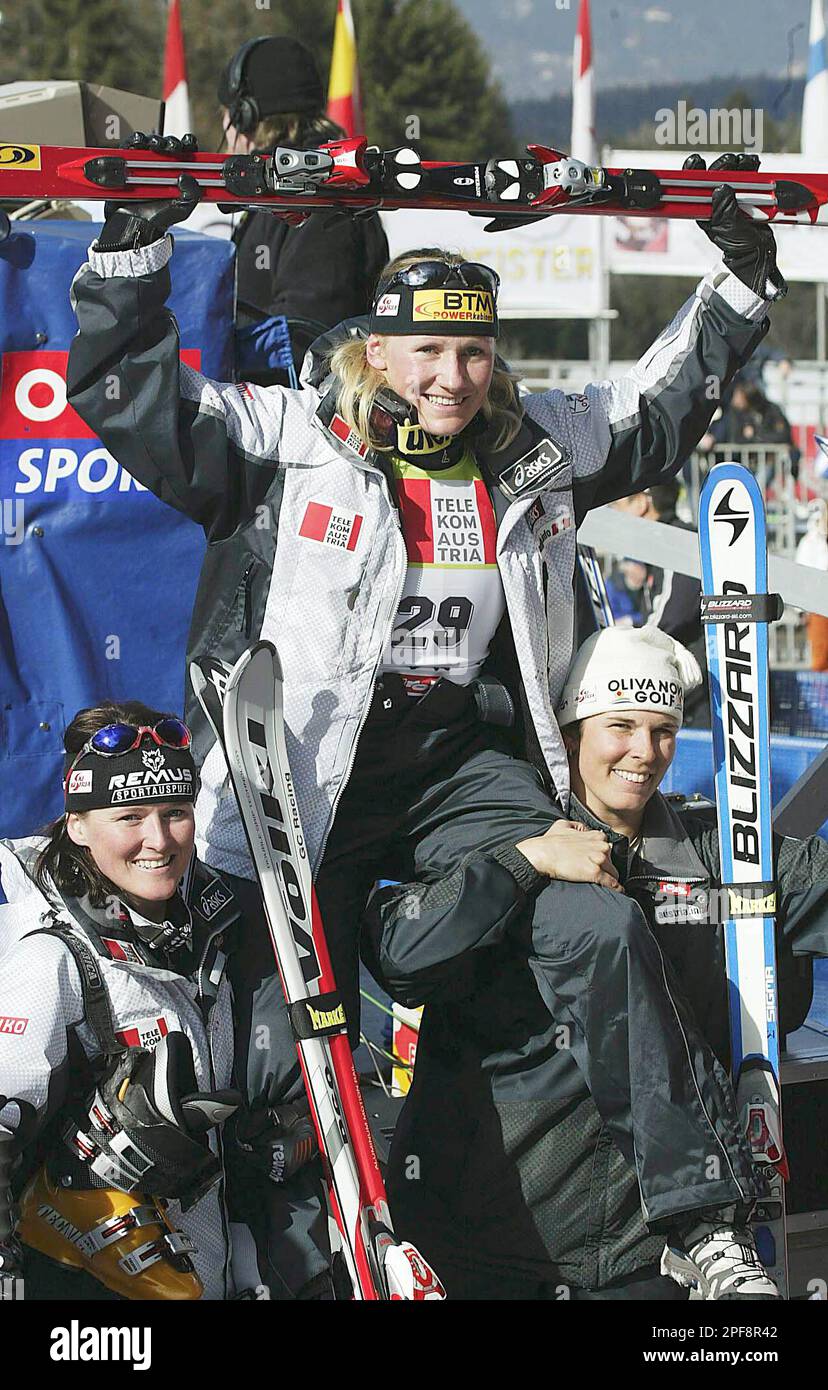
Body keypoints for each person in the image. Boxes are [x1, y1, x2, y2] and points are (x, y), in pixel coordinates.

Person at [65, 152, 784, 1296]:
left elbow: (654, 415)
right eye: (428, 351)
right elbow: (133, 396)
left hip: (461, 768)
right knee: (271, 1041)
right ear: (377, 351)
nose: (452, 376)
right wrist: (132, 249)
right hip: (305, 781)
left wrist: (741, 282)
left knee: (594, 921)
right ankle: (282, 1266)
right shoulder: (298, 440)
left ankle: (701, 1225)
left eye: (473, 350)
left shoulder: (528, 448)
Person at [363, 627, 828, 1299]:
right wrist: (520, 868)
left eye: (664, 729)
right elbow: (397, 951)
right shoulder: (505, 831)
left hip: (649, 1251)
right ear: (571, 731)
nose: (644, 752)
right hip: (490, 1239)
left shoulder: (719, 855)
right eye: (621, 725)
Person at [0, 701, 313, 1301]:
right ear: (78, 825)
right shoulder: (55, 957)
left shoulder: (207, 932)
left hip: (193, 1271)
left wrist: (261, 1139)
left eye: (175, 813)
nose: (158, 840)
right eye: (130, 816)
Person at [212, 35, 389, 383]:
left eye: (225, 116)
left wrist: (215, 334)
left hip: (296, 422)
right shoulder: (278, 191)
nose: (224, 128)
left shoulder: (318, 198)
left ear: (244, 117)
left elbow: (309, 335)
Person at [611, 480, 709, 725]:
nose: (615, 512)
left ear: (643, 504)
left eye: (619, 503)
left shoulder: (676, 540)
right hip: (685, 683)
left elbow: (672, 617)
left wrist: (629, 647)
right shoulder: (663, 541)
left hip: (699, 690)